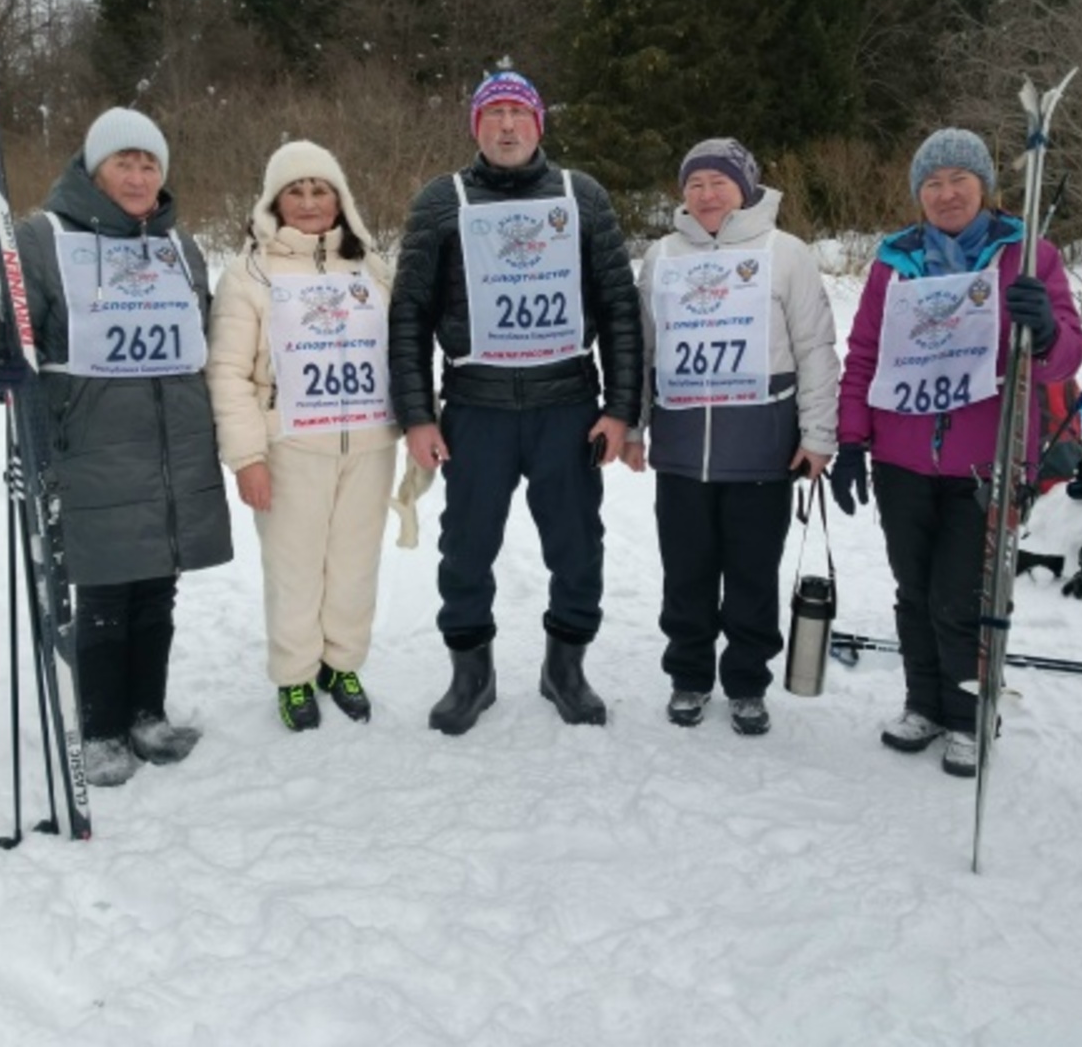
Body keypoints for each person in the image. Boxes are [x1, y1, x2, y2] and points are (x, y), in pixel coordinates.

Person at [0, 107, 234, 786]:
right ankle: (99, 727)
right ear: (95, 170)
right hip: (91, 442)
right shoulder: (43, 238)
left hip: (172, 442)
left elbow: (205, 336)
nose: (140, 175)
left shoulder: (182, 246)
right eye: (125, 162)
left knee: (157, 588)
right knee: (106, 592)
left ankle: (147, 711)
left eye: (150, 163)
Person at [388, 70, 644, 735]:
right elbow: (409, 314)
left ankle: (566, 668)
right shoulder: (441, 202)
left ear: (539, 124)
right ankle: (471, 673)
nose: (507, 126)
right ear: (477, 127)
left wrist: (621, 409)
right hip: (477, 408)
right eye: (494, 113)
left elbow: (619, 306)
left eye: (519, 113)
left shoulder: (579, 195)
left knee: (578, 546)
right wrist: (416, 415)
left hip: (568, 405)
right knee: (467, 548)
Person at [830, 127, 1082, 777]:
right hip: (901, 458)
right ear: (919, 194)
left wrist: (1047, 326)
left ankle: (971, 712)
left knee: (963, 595)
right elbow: (864, 355)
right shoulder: (895, 260)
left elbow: (1066, 359)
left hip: (986, 459)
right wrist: (853, 440)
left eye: (958, 181)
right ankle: (924, 702)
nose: (946, 194)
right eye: (933, 183)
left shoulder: (1028, 257)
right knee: (914, 590)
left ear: (983, 187)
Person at [622, 139, 840, 735]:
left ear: (745, 188)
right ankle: (689, 676)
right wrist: (635, 426)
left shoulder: (785, 253)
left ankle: (747, 682)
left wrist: (819, 433)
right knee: (686, 574)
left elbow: (816, 349)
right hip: (684, 453)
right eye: (694, 184)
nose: (706, 193)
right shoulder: (662, 255)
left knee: (751, 575)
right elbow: (641, 350)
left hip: (761, 450)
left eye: (719, 181)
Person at [206, 140, 400, 731]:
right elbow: (228, 372)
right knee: (294, 567)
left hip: (368, 441)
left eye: (321, 190)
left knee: (353, 563)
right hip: (290, 445)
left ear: (340, 199)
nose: (310, 202)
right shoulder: (249, 274)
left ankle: (341, 663)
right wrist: (246, 458)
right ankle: (294, 675)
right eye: (297, 190)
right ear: (274, 200)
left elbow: (402, 353)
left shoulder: (371, 266)